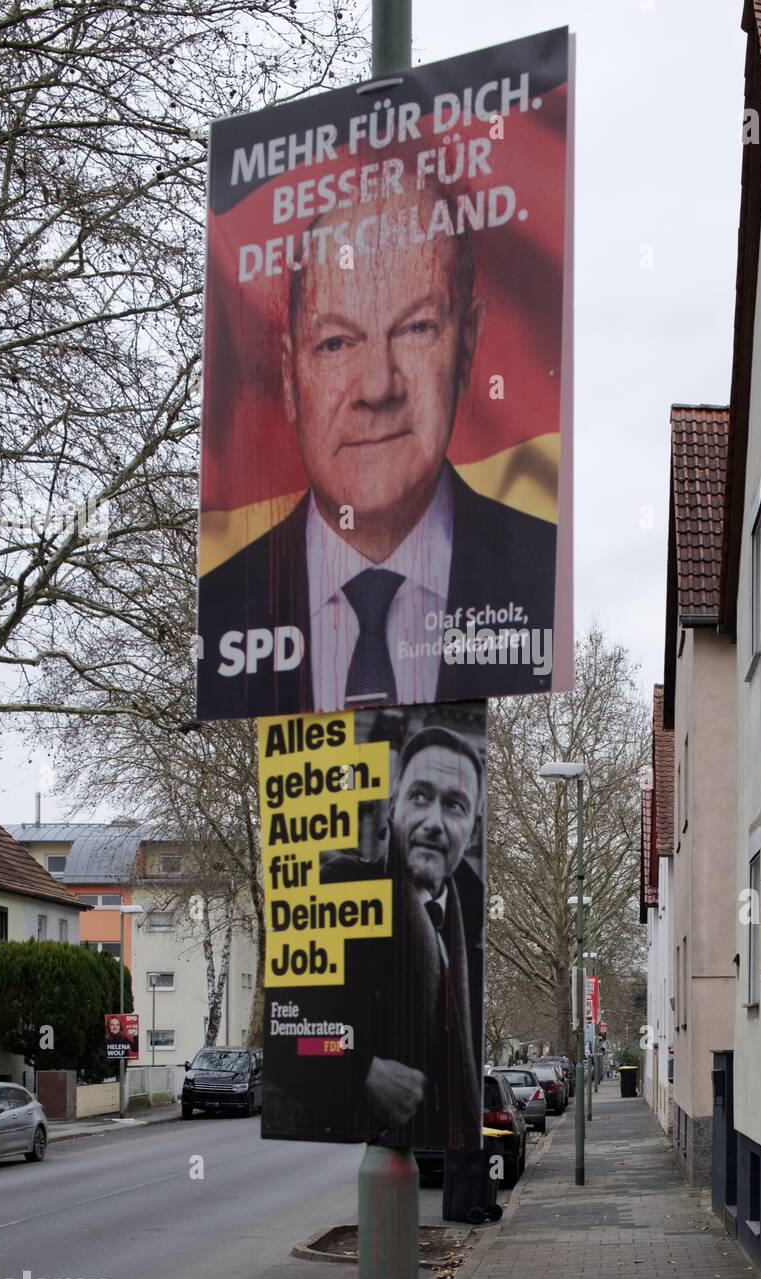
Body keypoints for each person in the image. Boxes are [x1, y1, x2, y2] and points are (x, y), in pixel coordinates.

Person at [197, 180, 558, 718]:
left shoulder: (542, 577)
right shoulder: (228, 605)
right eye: (336, 343)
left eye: (416, 328)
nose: (377, 386)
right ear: (291, 377)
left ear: (468, 342)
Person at [321, 724, 484, 1150]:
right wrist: (359, 1069)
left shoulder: (476, 928)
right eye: (419, 796)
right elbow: (295, 1028)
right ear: (394, 807)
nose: (433, 821)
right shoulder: (341, 891)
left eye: (453, 805)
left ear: (473, 829)